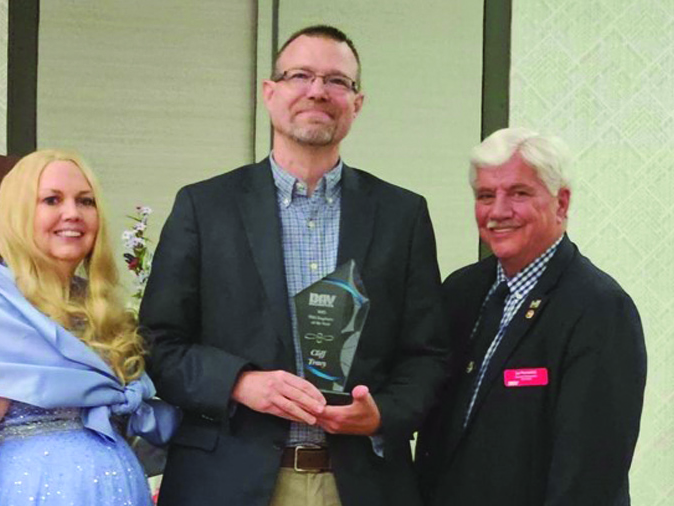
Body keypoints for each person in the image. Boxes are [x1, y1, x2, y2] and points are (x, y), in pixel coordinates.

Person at [138, 25, 449, 506]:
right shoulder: (205, 207)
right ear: (271, 93)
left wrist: (381, 413)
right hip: (226, 481)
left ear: (357, 103)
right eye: (300, 75)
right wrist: (239, 382)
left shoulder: (401, 216)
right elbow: (159, 343)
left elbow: (427, 355)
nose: (317, 91)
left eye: (336, 81)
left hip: (359, 484)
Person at [0, 150, 178, 506]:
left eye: (86, 201)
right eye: (52, 200)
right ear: (17, 215)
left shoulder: (97, 309)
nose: (72, 213)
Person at [415, 127, 647, 505]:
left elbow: (589, 476)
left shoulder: (600, 308)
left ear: (561, 203)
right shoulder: (460, 292)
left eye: (519, 193)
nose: (499, 211)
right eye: (486, 196)